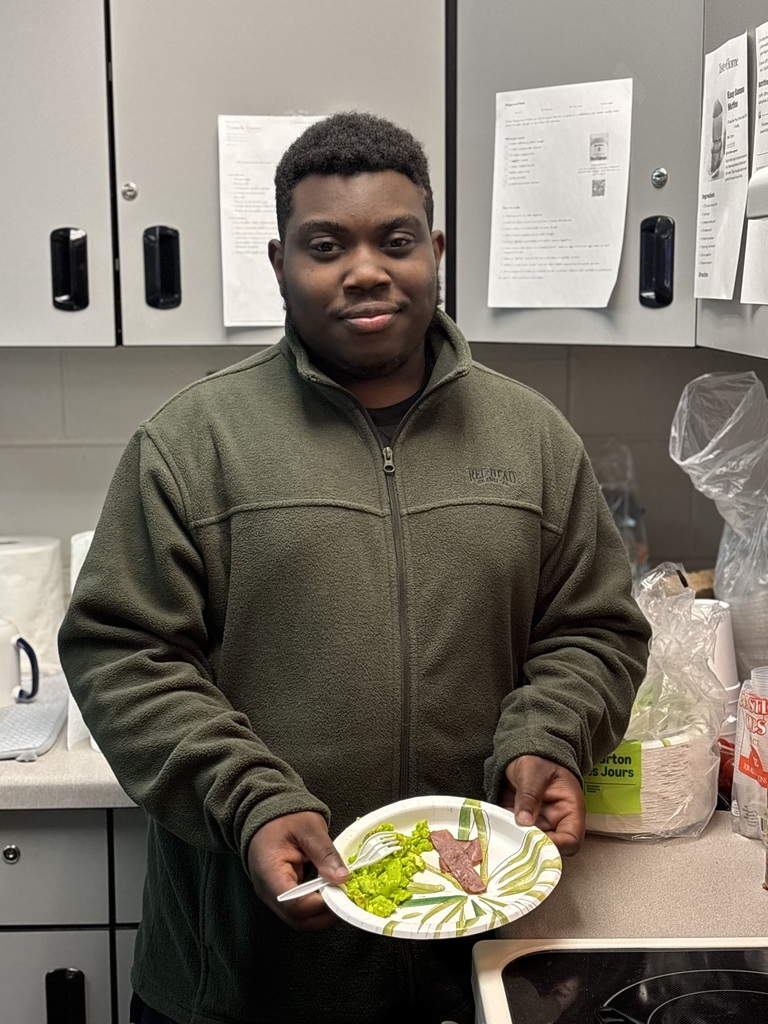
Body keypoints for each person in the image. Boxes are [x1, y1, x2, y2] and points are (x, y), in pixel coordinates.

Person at [58, 111, 650, 1024]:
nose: (365, 269)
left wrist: (549, 738)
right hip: (247, 971)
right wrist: (247, 800)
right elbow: (122, 654)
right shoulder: (192, 443)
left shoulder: (531, 437)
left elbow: (591, 627)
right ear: (280, 261)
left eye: (396, 240)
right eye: (326, 244)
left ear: (435, 250)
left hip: (473, 950)